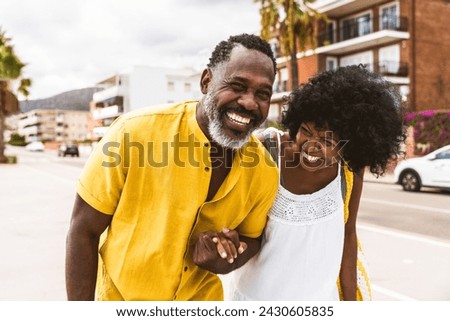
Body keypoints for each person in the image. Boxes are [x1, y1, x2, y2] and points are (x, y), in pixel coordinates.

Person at [65, 33, 279, 301]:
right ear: (206, 81)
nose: (249, 102)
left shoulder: (265, 171)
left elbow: (252, 239)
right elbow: (83, 230)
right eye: (237, 85)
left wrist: (227, 259)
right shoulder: (132, 133)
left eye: (262, 93)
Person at [227, 65, 406, 301]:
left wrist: (351, 304)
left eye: (327, 140)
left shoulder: (350, 170)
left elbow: (348, 235)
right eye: (305, 131)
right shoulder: (265, 151)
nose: (311, 146)